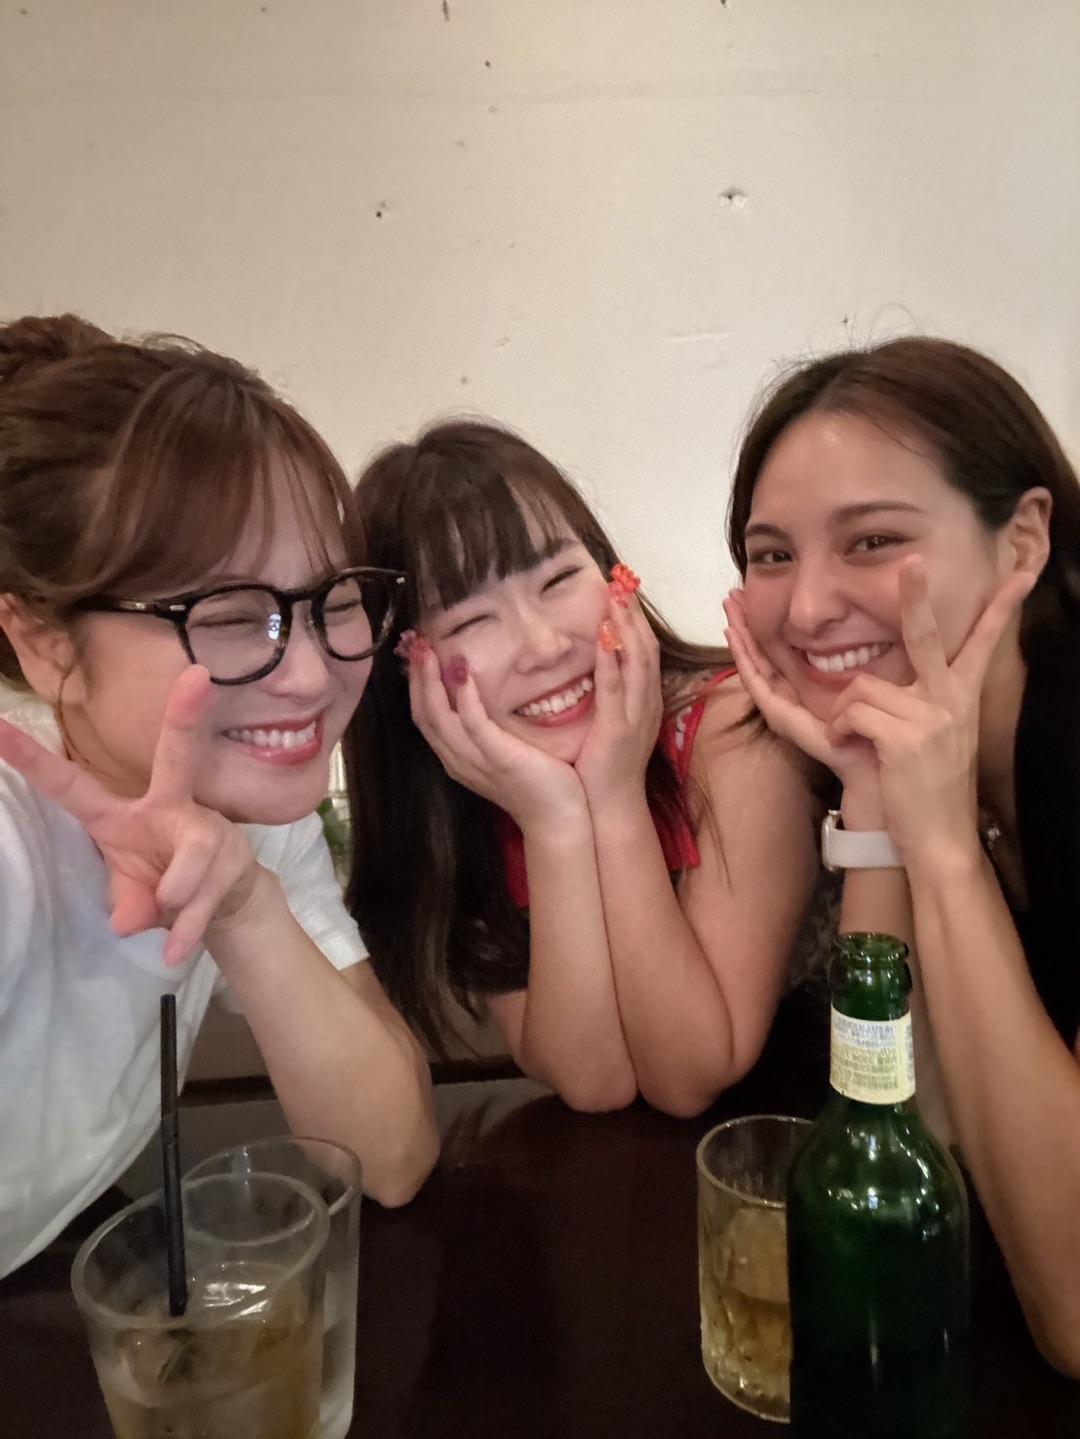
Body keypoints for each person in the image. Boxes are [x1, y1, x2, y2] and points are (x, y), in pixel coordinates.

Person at [0, 314, 438, 1276]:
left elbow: (392, 1153)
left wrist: (243, 908)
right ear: (44, 642)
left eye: (334, 601)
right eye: (233, 616)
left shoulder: (252, 813)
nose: (312, 675)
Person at [722, 335, 1080, 1375]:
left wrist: (946, 854)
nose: (806, 608)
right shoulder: (926, 749)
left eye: (872, 539)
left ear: (1022, 542)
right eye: (772, 554)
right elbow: (899, 1120)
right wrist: (875, 794)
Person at [344, 421, 822, 1116]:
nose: (544, 646)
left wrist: (616, 794)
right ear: (409, 672)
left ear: (611, 576)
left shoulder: (738, 732)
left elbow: (690, 1073)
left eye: (559, 578)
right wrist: (555, 821)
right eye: (471, 620)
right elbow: (594, 1080)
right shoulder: (465, 795)